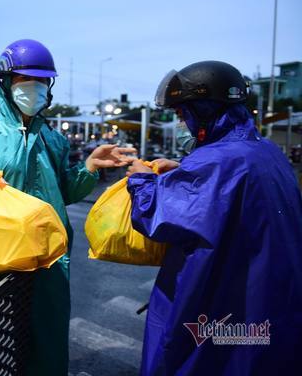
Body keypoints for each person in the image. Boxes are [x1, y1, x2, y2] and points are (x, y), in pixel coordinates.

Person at [0, 39, 135, 375]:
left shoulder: (55, 139)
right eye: (25, 81)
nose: (35, 89)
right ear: (5, 82)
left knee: (48, 335)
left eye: (42, 82)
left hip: (49, 259)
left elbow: (65, 190)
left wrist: (89, 167)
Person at [126, 61, 302, 375]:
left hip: (219, 307)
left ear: (205, 110)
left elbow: (155, 215)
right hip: (270, 303)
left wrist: (142, 180)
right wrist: (183, 170)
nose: (182, 124)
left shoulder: (215, 162)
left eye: (183, 115)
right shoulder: (268, 152)